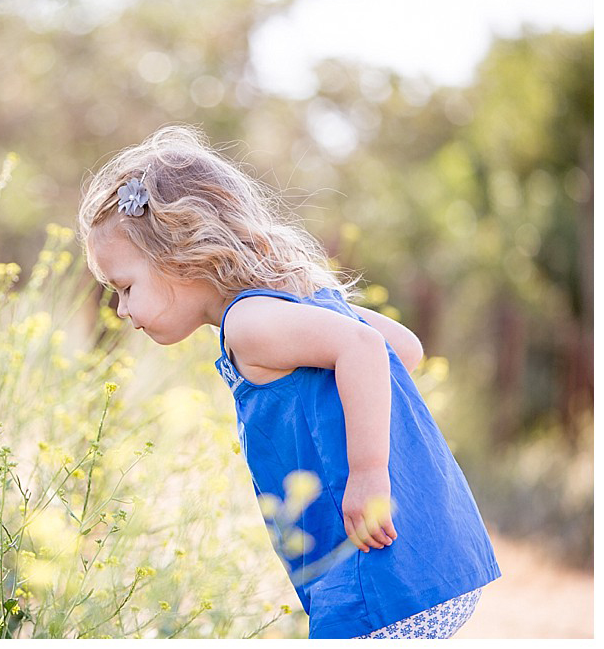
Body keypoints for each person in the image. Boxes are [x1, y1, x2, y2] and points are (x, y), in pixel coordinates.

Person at [76, 125, 501, 639]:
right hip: (432, 563)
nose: (121, 310)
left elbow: (366, 349)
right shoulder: (288, 305)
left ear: (178, 254)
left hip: (378, 581)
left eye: (124, 287)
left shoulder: (248, 324)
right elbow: (403, 349)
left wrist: (367, 472)